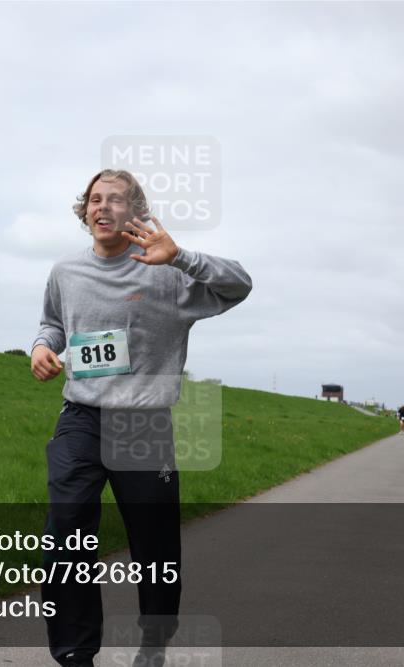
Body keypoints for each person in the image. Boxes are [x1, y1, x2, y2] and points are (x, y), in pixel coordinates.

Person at [31, 169, 252, 667]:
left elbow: (240, 284)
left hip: (144, 424)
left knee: (153, 547)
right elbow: (52, 322)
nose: (101, 207)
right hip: (80, 418)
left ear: (136, 213)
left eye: (114, 200)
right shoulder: (65, 273)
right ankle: (74, 654)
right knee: (66, 531)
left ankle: (153, 644)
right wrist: (43, 347)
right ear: (84, 211)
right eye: (94, 199)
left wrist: (181, 256)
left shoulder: (166, 274)